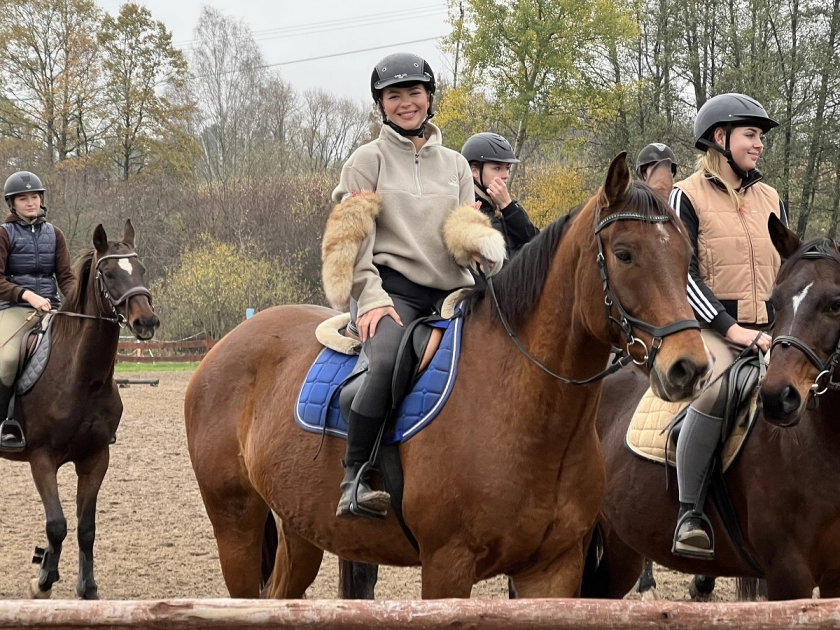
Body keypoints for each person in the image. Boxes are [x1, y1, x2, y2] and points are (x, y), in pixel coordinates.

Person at [321, 53, 506, 518]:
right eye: (394, 96)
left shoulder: (457, 165)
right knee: (383, 364)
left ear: (429, 99)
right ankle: (355, 475)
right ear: (381, 105)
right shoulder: (367, 161)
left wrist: (480, 247)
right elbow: (352, 241)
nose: (406, 103)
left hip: (454, 293)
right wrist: (370, 299)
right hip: (393, 291)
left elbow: (461, 229)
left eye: (414, 93)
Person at [669, 93, 786, 558]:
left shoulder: (770, 196)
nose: (759, 145)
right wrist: (732, 329)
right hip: (716, 330)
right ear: (720, 138)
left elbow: (789, 264)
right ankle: (689, 513)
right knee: (716, 391)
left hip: (773, 328)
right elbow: (683, 274)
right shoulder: (686, 195)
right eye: (751, 135)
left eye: (761, 137)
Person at [0, 171, 76, 451]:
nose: (30, 202)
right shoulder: (4, 234)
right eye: (23, 198)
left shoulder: (54, 234)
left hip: (51, 308)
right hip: (13, 308)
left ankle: (94, 418)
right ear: (13, 204)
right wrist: (27, 295)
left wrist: (77, 300)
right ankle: (5, 422)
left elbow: (65, 277)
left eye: (34, 197)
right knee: (7, 359)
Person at [461, 132, 538, 256]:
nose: (506, 175)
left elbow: (536, 243)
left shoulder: (508, 207)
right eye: (497, 168)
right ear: (474, 171)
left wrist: (508, 207)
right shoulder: (467, 213)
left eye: (507, 168)